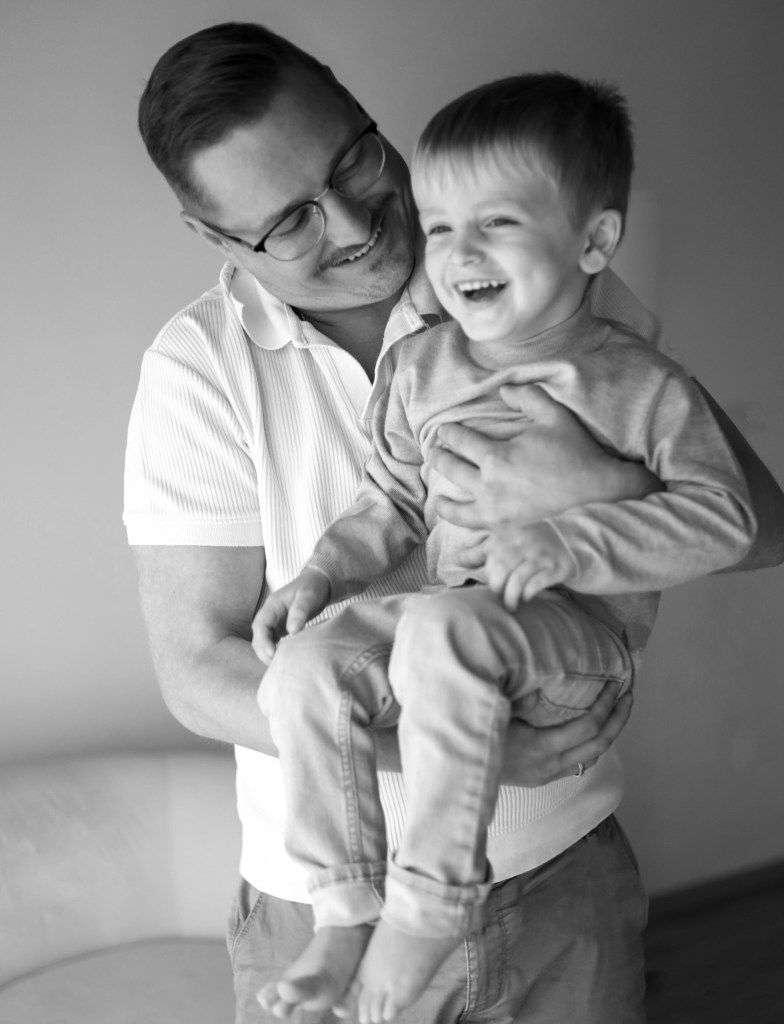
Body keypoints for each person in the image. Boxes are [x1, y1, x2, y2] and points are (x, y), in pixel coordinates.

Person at [125, 22, 784, 1024]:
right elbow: (198, 669)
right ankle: (357, 916)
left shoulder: (545, 279)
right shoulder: (202, 370)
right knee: (316, 658)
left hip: (560, 859)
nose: (357, 221)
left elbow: (755, 526)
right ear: (216, 238)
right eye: (290, 220)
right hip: (313, 880)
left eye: (352, 158)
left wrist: (593, 489)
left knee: (443, 629)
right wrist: (456, 741)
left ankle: (422, 907)